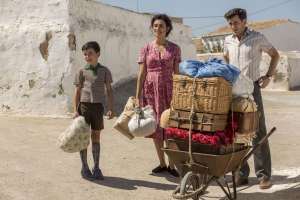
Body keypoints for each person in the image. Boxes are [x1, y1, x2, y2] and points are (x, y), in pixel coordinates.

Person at [223, 8, 279, 189]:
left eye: (236, 23)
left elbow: (275, 54)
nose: (233, 27)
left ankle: (264, 175)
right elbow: (225, 59)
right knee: (236, 132)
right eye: (230, 23)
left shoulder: (257, 37)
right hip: (233, 91)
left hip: (252, 89)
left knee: (257, 131)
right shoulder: (227, 40)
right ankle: (241, 174)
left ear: (245, 21)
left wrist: (268, 76)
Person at [135, 14, 181, 177]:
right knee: (155, 128)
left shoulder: (175, 48)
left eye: (161, 26)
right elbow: (141, 73)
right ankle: (162, 163)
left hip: (170, 92)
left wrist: (179, 94)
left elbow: (177, 73)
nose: (158, 29)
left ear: (167, 28)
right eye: (155, 26)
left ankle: (172, 165)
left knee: (170, 126)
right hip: (151, 91)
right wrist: (137, 96)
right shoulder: (146, 48)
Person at [73, 41, 114, 180]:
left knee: (96, 137)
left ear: (98, 54)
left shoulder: (105, 71)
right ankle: (84, 167)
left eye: (90, 53)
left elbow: (109, 90)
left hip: (97, 108)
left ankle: (96, 167)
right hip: (84, 107)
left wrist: (110, 108)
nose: (87, 56)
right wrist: (75, 110)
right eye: (85, 54)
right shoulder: (81, 71)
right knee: (83, 138)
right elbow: (77, 92)